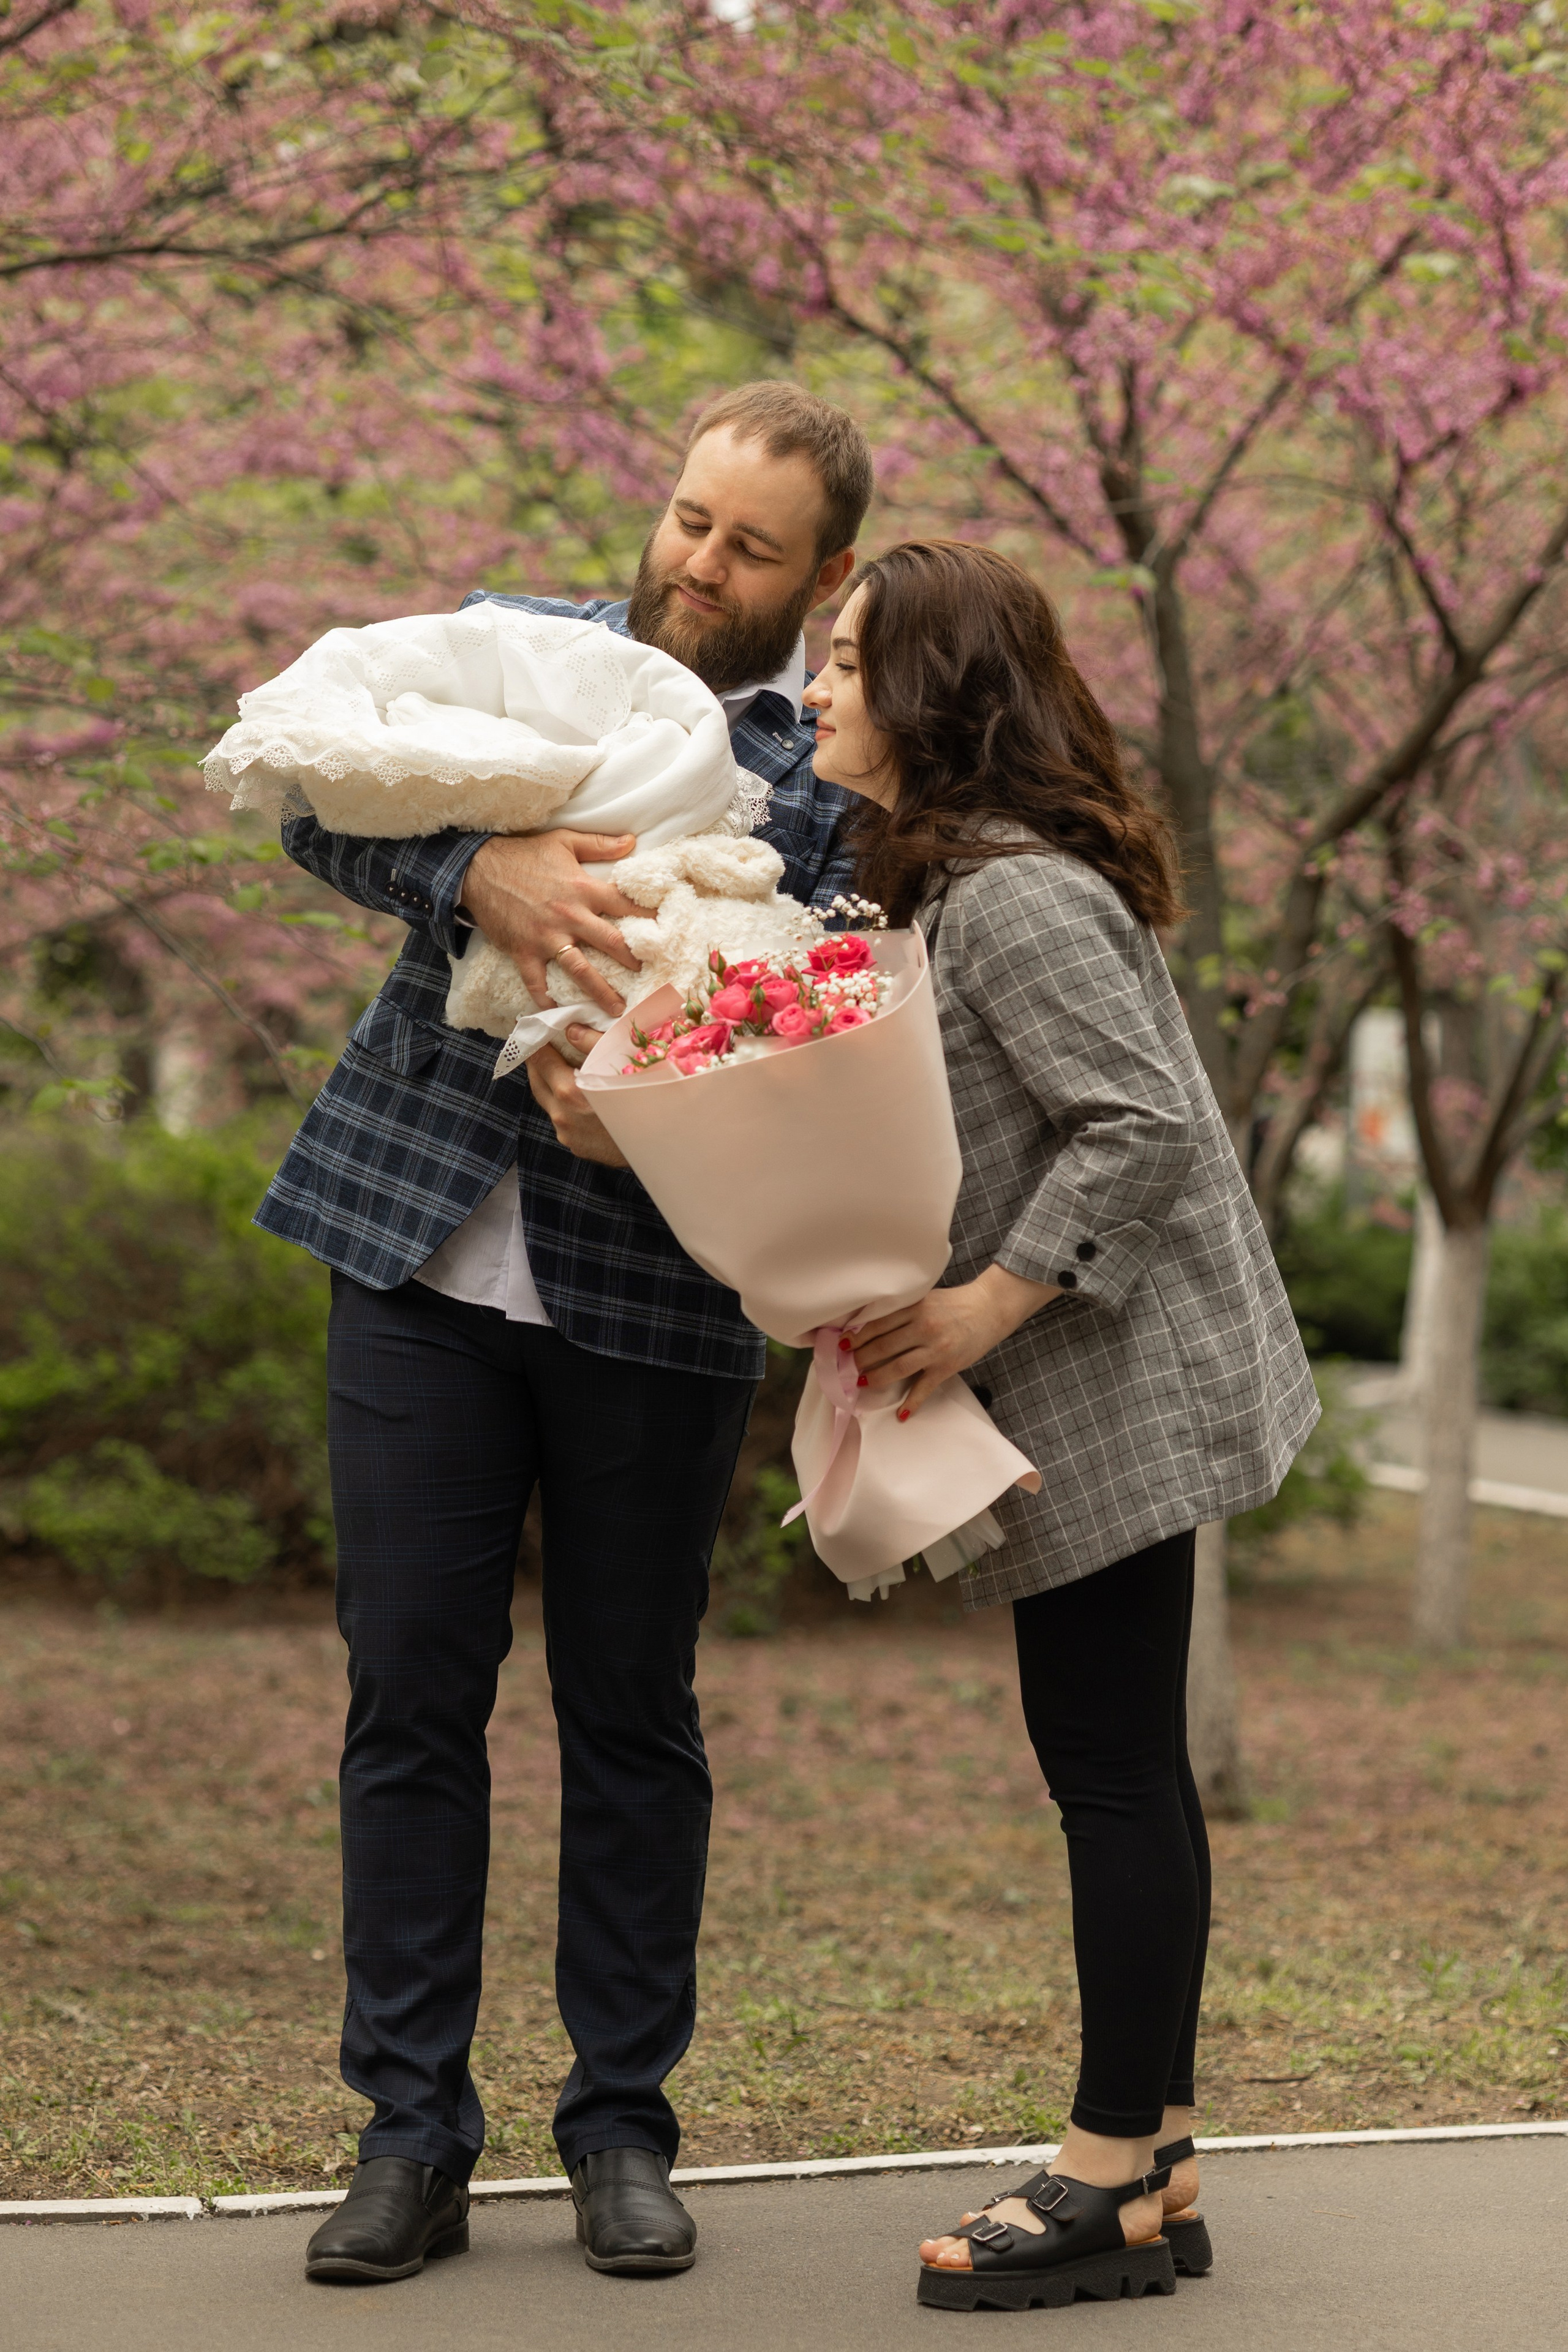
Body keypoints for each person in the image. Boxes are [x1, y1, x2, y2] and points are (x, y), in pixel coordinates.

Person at [261, 383, 874, 2285]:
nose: (699, 561)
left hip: (657, 1297)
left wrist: (697, 1073)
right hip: (416, 1261)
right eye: (690, 518)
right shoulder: (524, 657)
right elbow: (318, 793)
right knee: (410, 1698)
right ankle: (408, 2134)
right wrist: (477, 870)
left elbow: (843, 997)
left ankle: (622, 2128)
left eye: (749, 545)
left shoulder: (837, 772)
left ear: (823, 576)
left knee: (630, 1715)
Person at [802, 540, 1318, 2315]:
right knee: (1124, 1767)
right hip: (1097, 1382)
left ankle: (1103, 2175)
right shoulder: (958, 884)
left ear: (933, 691)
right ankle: (1159, 2161)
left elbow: (1142, 1130)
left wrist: (980, 1306)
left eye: (850, 659)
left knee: (1107, 1771)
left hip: (1119, 1384)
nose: (818, 688)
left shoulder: (1013, 895)